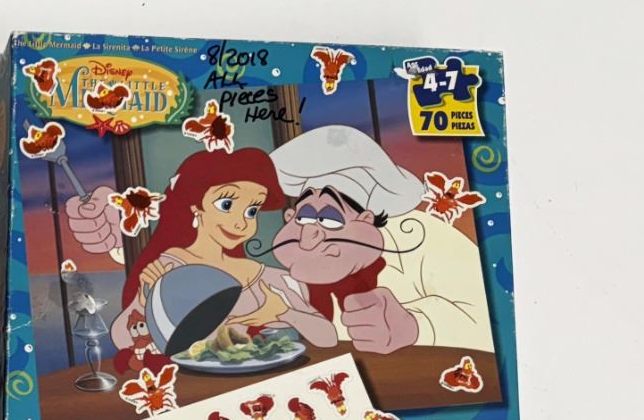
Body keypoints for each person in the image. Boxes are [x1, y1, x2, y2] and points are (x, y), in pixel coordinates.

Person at [267, 124, 492, 353]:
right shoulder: (296, 270)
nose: (309, 234)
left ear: (365, 219)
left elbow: (488, 312)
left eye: (328, 218)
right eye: (303, 216)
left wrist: (414, 326)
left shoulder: (420, 235)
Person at [104, 148, 335, 366]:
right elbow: (124, 341)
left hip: (261, 379)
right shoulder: (170, 268)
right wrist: (144, 299)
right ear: (196, 207)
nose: (241, 223)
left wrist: (283, 312)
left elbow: (328, 338)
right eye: (226, 204)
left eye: (252, 210)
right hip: (196, 384)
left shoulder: (265, 277)